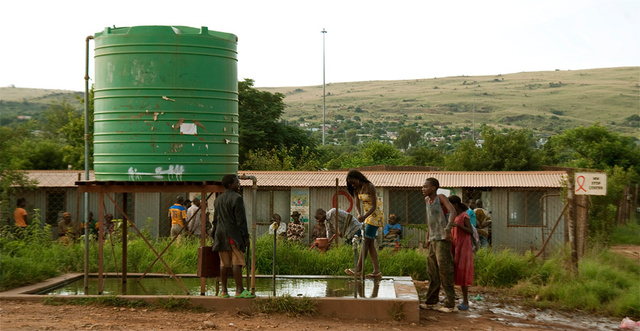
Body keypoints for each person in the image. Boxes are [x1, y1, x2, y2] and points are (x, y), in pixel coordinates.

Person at [211, 174, 254, 298]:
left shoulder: (218, 199)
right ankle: (239, 290)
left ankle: (223, 291)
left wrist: (213, 235)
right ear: (230, 184)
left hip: (220, 235)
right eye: (237, 182)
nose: (239, 184)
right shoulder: (237, 198)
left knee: (224, 263)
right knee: (237, 261)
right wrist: (245, 238)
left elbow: (215, 219)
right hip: (233, 235)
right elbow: (241, 221)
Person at [421, 177, 458, 313]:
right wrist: (427, 237)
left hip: (442, 239)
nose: (423, 189)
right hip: (433, 239)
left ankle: (450, 303)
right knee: (432, 270)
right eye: (423, 186)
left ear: (433, 188)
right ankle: (431, 300)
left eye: (425, 186)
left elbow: (453, 212)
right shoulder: (426, 201)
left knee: (445, 270)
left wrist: (448, 229)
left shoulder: (441, 197)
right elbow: (430, 220)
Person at [345, 169, 384, 279]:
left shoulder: (369, 186)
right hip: (367, 217)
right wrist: (359, 214)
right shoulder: (357, 189)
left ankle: (358, 268)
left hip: (375, 215)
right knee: (370, 244)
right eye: (350, 183)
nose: (352, 185)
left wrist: (364, 216)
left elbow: (374, 206)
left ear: (359, 178)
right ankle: (377, 271)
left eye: (353, 182)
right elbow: (357, 203)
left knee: (365, 240)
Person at [449, 195, 475, 311]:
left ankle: (465, 301)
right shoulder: (453, 215)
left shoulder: (464, 215)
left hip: (463, 247)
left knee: (463, 272)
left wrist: (458, 226)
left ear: (455, 205)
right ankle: (452, 296)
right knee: (454, 270)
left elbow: (470, 231)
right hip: (455, 245)